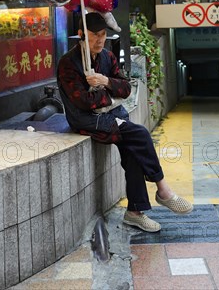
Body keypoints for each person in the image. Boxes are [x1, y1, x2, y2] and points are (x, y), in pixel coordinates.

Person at [57, 12, 193, 232]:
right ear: (81, 34)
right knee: (140, 135)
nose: (100, 40)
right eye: (94, 35)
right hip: (88, 121)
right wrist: (111, 95)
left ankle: (134, 212)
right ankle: (163, 190)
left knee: (133, 152)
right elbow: (83, 102)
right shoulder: (68, 64)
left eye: (102, 34)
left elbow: (126, 88)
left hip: (113, 115)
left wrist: (105, 81)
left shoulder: (107, 57)